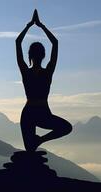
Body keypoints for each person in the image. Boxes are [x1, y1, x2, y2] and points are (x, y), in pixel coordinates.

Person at [16, 9, 72, 152]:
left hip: (28, 113)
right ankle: (40, 140)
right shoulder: (48, 72)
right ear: (43, 55)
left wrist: (29, 26)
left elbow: (18, 42)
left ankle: (39, 140)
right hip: (42, 112)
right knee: (66, 128)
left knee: (30, 150)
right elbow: (55, 43)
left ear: (30, 55)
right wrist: (41, 26)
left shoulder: (26, 72)